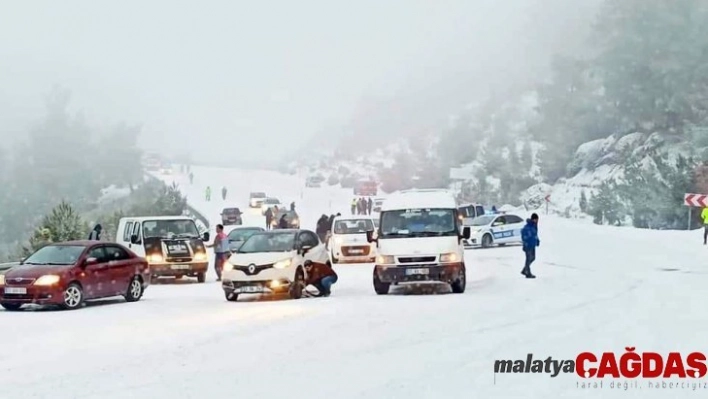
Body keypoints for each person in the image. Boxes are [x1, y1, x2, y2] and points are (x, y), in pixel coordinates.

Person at [520, 213, 540, 279]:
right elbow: (523, 235)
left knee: (533, 258)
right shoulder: (527, 227)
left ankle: (525, 269)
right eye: (536, 219)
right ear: (533, 219)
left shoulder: (534, 226)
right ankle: (528, 273)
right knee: (528, 259)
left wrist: (537, 240)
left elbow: (535, 235)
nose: (537, 221)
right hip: (528, 245)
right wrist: (525, 242)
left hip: (532, 245)